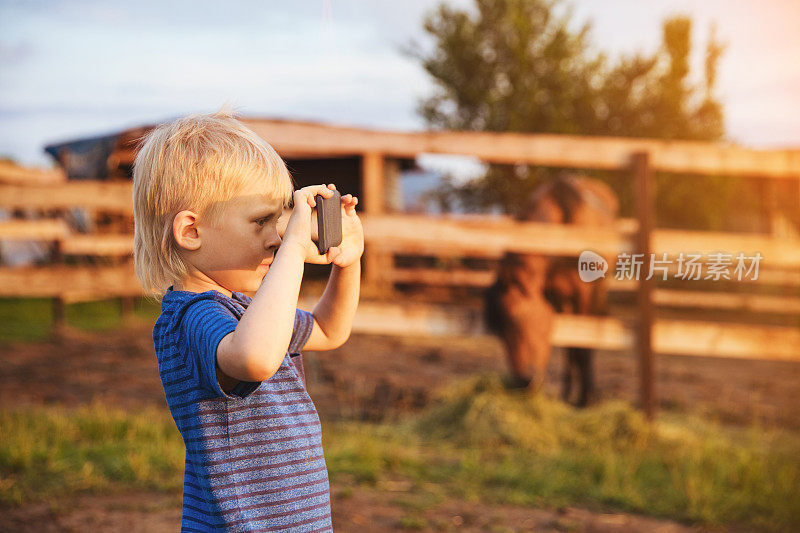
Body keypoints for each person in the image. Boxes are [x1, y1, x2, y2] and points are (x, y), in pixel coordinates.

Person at [132, 108, 363, 531]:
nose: (277, 235)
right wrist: (293, 252)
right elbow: (256, 358)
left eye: (280, 221)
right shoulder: (191, 316)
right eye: (262, 221)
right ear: (191, 232)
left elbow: (330, 330)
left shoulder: (248, 311)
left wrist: (347, 265)